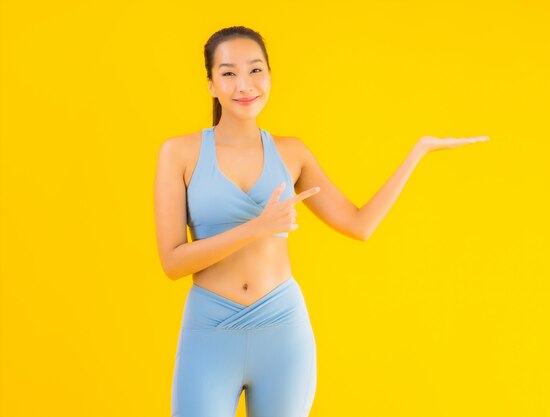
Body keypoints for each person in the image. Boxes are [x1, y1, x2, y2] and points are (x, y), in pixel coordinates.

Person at [154, 25, 489, 417]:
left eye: (255, 70)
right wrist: (257, 228)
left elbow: (359, 224)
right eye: (228, 73)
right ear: (211, 83)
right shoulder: (179, 153)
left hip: (282, 330)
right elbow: (173, 262)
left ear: (270, 75)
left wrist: (418, 152)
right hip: (209, 331)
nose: (244, 84)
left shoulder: (292, 153)